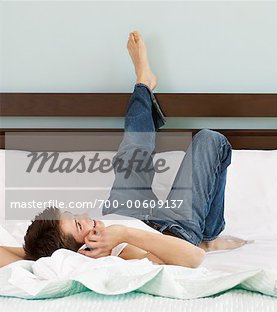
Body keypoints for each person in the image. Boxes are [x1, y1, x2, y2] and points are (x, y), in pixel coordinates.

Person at [0, 31, 246, 269]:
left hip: (126, 209)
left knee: (133, 149)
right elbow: (193, 258)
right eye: (78, 223)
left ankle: (143, 82)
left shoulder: (52, 250)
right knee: (210, 140)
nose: (85, 215)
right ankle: (209, 233)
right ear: (81, 251)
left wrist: (36, 254)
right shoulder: (111, 259)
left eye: (74, 214)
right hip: (175, 230)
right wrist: (123, 233)